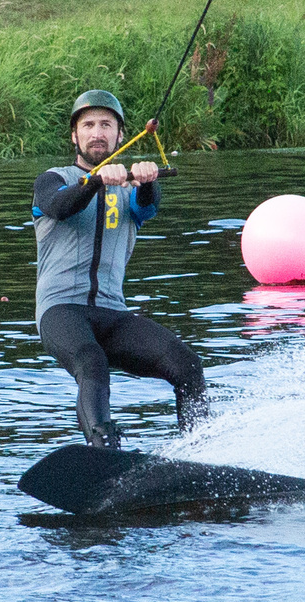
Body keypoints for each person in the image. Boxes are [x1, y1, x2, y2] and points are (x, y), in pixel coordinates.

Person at [33, 89, 208, 447]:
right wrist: (95, 180)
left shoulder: (128, 189)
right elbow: (61, 207)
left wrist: (147, 180)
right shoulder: (53, 179)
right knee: (91, 361)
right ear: (74, 136)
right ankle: (103, 449)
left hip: (112, 313)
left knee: (188, 366)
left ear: (120, 135)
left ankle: (203, 450)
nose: (97, 132)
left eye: (106, 125)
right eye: (88, 125)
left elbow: (149, 205)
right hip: (60, 311)